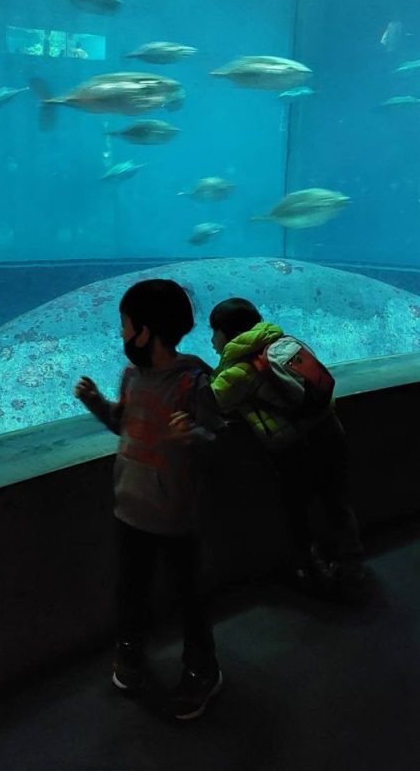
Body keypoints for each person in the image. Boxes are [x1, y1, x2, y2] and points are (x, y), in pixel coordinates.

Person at [74, 278, 224, 720]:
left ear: (147, 331)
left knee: (188, 597)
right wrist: (96, 403)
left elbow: (220, 438)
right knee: (130, 591)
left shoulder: (193, 380)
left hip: (175, 515)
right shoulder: (132, 377)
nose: (121, 335)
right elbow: (125, 426)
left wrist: (191, 435)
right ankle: (130, 653)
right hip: (130, 510)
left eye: (125, 325)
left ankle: (202, 670)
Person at [207, 297, 365, 594]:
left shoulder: (239, 370)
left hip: (296, 449)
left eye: (214, 331)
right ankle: (352, 569)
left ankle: (311, 573)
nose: (212, 339)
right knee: (337, 504)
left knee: (298, 511)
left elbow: (211, 402)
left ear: (227, 333)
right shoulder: (286, 343)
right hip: (330, 431)